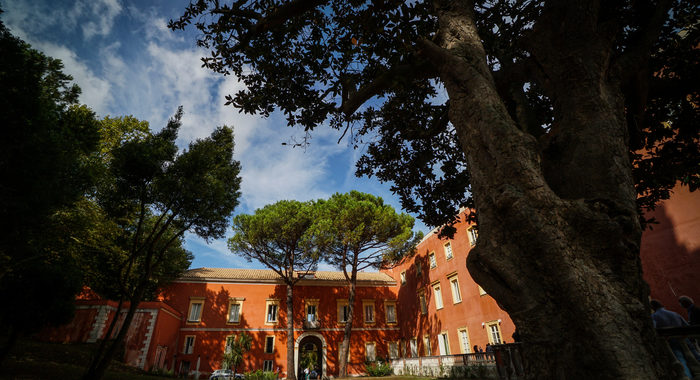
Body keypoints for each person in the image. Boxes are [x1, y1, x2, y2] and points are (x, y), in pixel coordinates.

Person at [651, 299, 696, 379]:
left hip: (672, 342)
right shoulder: (674, 313)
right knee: (696, 355)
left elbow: (653, 330)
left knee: (681, 360)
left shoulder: (654, 316)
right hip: (685, 339)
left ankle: (687, 376)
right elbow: (686, 326)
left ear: (653, 308)